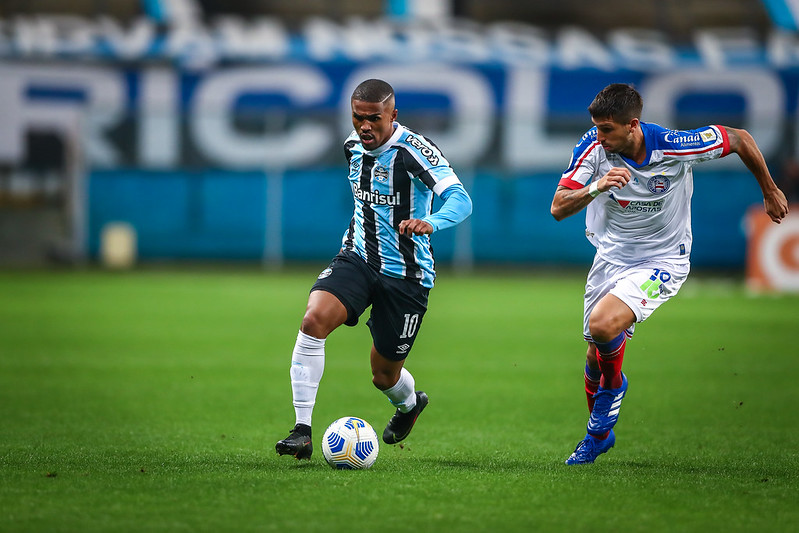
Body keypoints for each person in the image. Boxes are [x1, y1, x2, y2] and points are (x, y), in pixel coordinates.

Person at [550, 83, 788, 465]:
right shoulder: (594, 150)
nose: (599, 136)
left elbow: (740, 138)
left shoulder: (675, 144)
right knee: (595, 356)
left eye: (607, 129)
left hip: (662, 259)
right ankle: (603, 428)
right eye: (596, 127)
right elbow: (558, 208)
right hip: (610, 258)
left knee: (603, 325)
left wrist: (770, 189)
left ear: (633, 125)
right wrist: (596, 186)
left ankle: (596, 432)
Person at [276, 79, 473, 460]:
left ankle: (409, 404)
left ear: (393, 116)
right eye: (357, 118)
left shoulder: (415, 152)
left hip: (407, 275)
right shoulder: (352, 146)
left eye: (374, 119)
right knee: (313, 320)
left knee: (384, 375)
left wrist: (432, 221)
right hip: (358, 258)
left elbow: (460, 199)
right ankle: (301, 430)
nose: (364, 126)